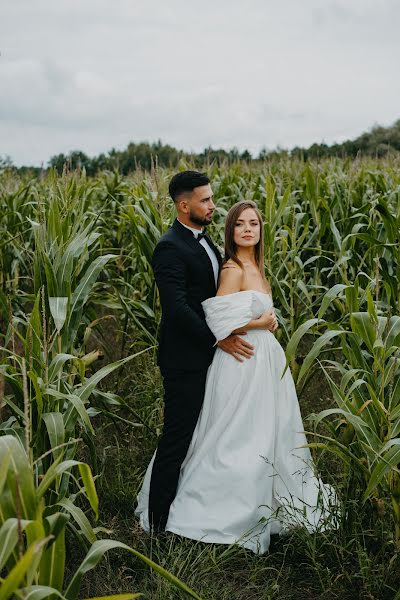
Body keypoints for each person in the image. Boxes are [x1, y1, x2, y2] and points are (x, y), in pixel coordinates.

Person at [136, 197, 336, 553]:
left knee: (270, 432)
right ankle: (214, 509)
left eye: (254, 224)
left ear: (261, 230)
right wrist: (262, 321)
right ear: (231, 231)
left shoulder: (257, 267)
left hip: (264, 363)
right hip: (241, 361)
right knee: (236, 436)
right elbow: (217, 318)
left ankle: (272, 502)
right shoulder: (232, 269)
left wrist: (268, 324)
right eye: (241, 224)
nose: (248, 229)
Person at [142, 171, 275, 533]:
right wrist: (219, 338)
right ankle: (158, 527)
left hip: (214, 359)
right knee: (177, 438)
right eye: (205, 200)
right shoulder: (170, 246)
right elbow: (177, 308)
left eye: (212, 198)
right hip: (184, 360)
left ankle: (197, 506)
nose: (213, 205)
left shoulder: (208, 242)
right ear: (184, 205)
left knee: (207, 436)